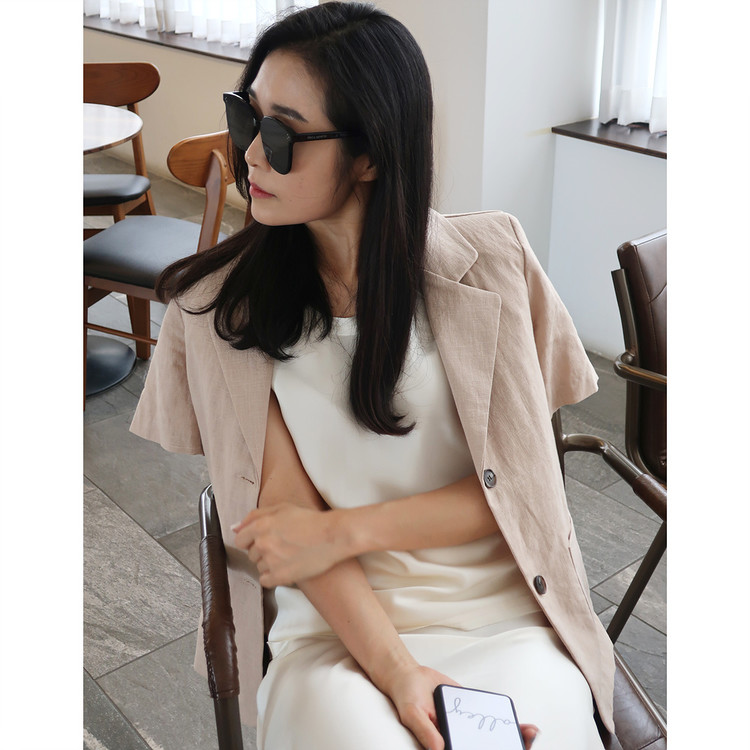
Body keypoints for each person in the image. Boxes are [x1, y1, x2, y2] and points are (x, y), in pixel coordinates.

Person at [130, 3, 614, 749]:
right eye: (245, 117)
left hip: (505, 612)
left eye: (282, 134)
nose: (250, 154)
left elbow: (521, 486)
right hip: (334, 629)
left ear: (371, 155)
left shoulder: (494, 262)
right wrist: (400, 672)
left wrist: (342, 530)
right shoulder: (223, 310)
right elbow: (287, 533)